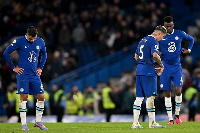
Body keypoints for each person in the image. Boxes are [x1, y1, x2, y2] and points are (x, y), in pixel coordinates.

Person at [3, 26, 48, 131]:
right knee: (24, 97)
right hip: (23, 74)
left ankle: (38, 122)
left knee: (41, 96)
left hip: (35, 75)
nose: (32, 40)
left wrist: (40, 68)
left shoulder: (40, 41)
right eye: (31, 38)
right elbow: (6, 52)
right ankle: (24, 124)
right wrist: (14, 68)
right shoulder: (19, 41)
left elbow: (44, 54)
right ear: (27, 34)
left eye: (34, 38)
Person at [159, 16, 194, 125]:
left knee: (178, 90)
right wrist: (157, 51)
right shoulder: (160, 35)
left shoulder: (180, 33)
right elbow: (153, 45)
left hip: (176, 66)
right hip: (165, 66)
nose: (168, 28)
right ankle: (170, 119)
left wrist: (189, 49)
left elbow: (191, 39)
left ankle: (177, 115)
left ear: (173, 25)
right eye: (166, 26)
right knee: (167, 92)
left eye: (170, 26)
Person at [132, 25, 166, 129]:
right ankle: (152, 123)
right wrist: (160, 65)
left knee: (139, 98)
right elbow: (155, 55)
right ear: (159, 34)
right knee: (151, 97)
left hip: (139, 70)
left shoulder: (143, 40)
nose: (162, 39)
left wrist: (144, 64)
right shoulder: (153, 41)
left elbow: (136, 56)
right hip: (148, 72)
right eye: (163, 36)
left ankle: (135, 123)